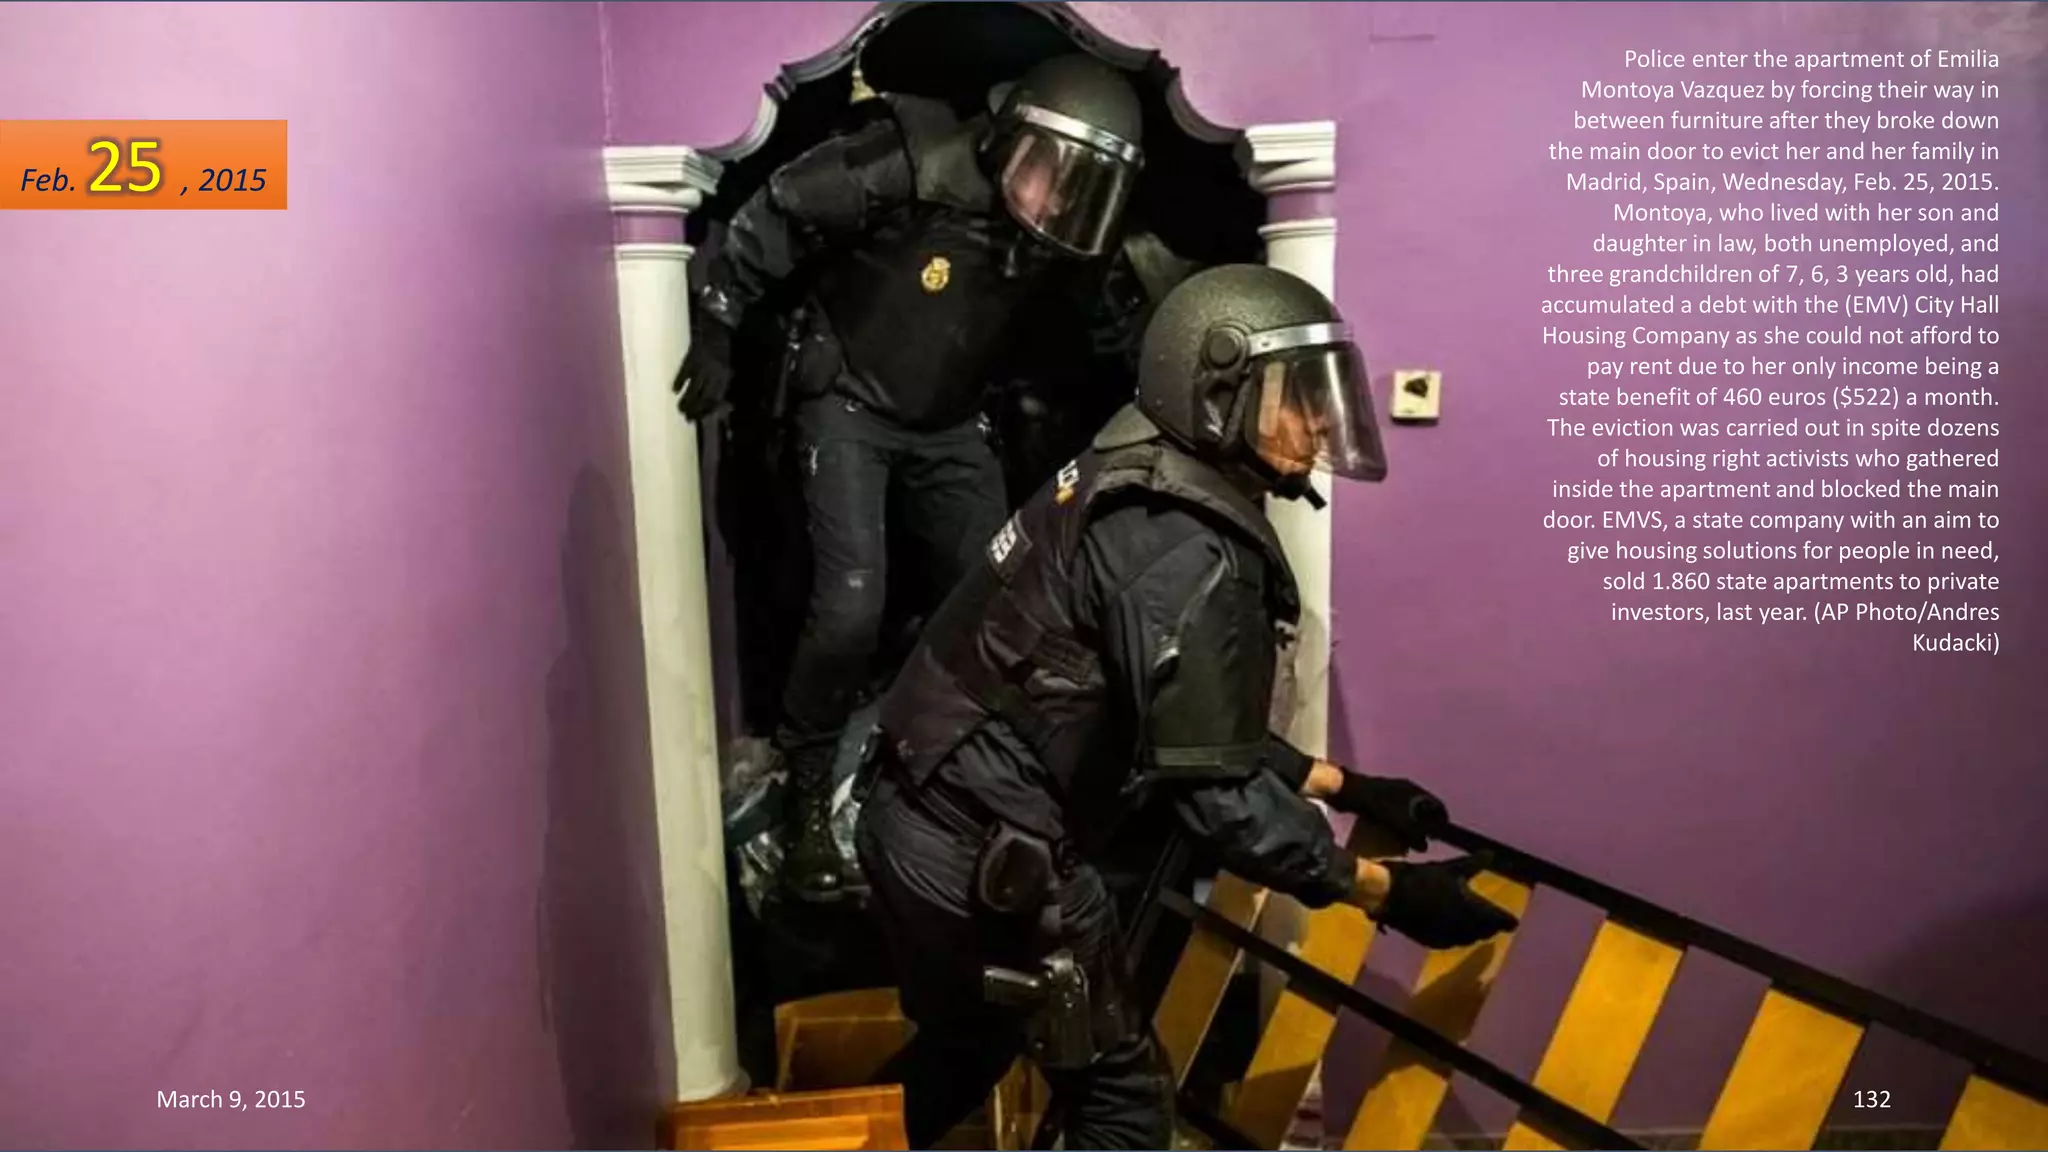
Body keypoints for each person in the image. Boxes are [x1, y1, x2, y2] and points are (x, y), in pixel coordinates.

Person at [853, 264, 1522, 1149]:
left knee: (969, 1043)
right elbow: (1215, 796)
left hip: (922, 813)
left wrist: (1343, 786)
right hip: (987, 848)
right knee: (1123, 1103)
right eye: (1297, 395)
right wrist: (1381, 889)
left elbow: (1178, 720)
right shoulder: (1180, 545)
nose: (1320, 421)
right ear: (1218, 392)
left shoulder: (1130, 470)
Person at [674, 54, 1177, 903]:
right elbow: (782, 211)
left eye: (1082, 189)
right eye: (1053, 175)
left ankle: (974, 779)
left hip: (950, 419)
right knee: (849, 606)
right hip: (847, 402)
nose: (1058, 203)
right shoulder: (912, 162)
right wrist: (721, 321)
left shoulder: (1060, 242)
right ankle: (803, 796)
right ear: (1011, 142)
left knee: (997, 598)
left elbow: (1115, 321)